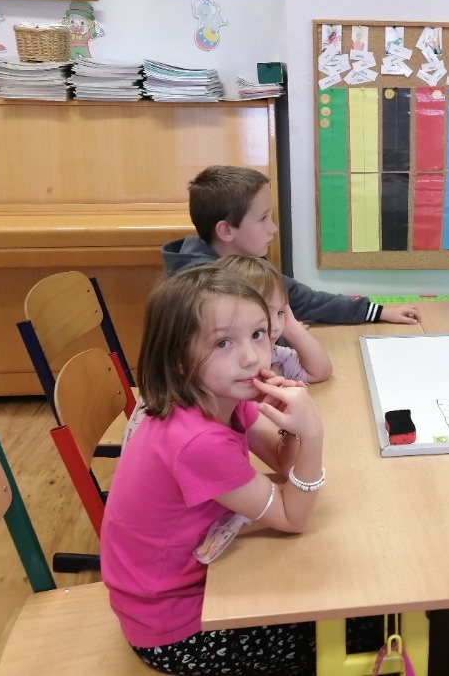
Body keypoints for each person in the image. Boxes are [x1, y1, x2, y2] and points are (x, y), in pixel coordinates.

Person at [101, 265, 326, 675]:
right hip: (175, 628)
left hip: (189, 584)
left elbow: (282, 463)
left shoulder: (219, 396)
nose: (251, 356)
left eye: (258, 333)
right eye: (223, 342)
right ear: (179, 359)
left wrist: (289, 426)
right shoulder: (197, 440)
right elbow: (294, 518)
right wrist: (311, 434)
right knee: (348, 629)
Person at [162, 165, 420, 326]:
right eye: (263, 219)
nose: (273, 229)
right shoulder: (203, 292)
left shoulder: (245, 264)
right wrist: (283, 338)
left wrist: (376, 311)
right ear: (226, 230)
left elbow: (305, 300)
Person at [215, 254, 332, 384]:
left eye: (280, 312)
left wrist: (292, 328)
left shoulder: (274, 355)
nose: (276, 326)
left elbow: (321, 372)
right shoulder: (220, 361)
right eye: (265, 313)